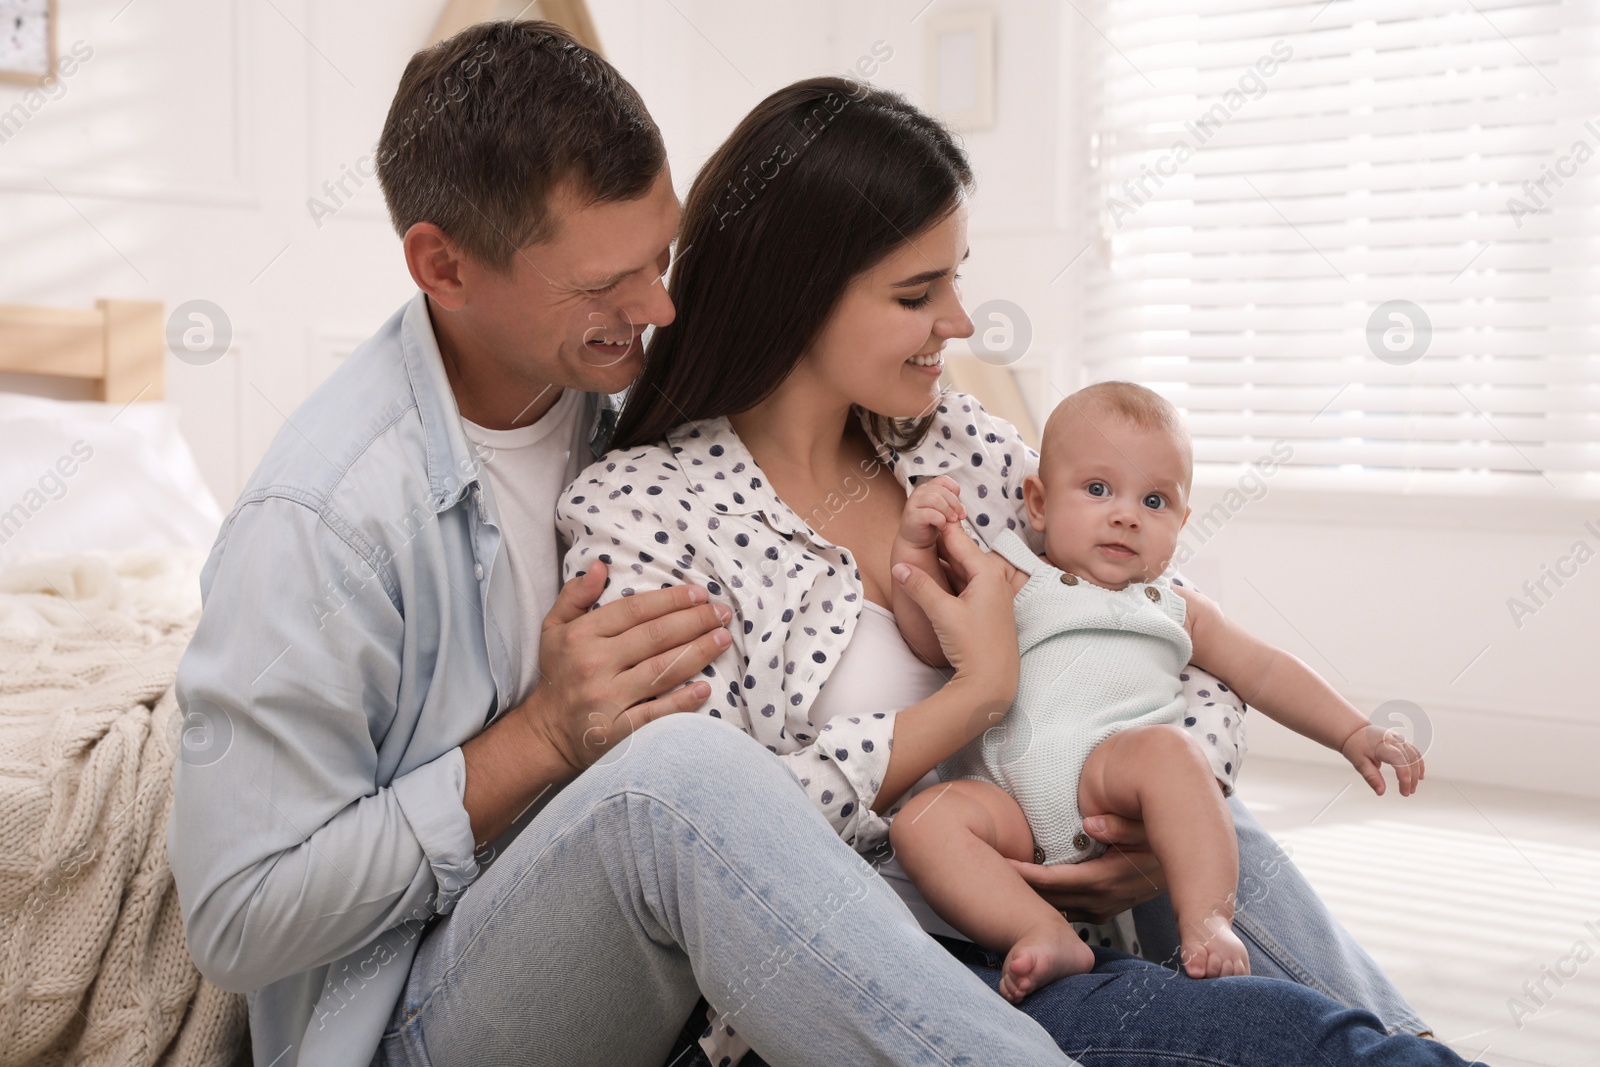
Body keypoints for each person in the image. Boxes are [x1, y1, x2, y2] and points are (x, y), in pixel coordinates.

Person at [168, 22, 1076, 1067]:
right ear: (442, 265)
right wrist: (540, 739)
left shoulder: (627, 408)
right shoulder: (323, 522)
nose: (660, 306)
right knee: (677, 777)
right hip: (416, 1017)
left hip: (670, 965)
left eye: (660, 254)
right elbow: (236, 918)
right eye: (606, 283)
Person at [559, 76, 1471, 1066]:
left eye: (955, 276)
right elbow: (710, 833)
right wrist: (975, 696)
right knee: (1297, 1039)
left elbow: (1161, 629)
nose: (960, 320)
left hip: (1077, 885)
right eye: (917, 293)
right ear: (795, 294)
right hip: (898, 956)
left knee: (1200, 813)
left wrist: (1140, 818)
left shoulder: (952, 436)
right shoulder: (649, 514)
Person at [885, 381, 1426, 1002]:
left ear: (1182, 522)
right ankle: (1038, 930)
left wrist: (1352, 730)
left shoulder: (1175, 606)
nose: (1126, 514)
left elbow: (1266, 671)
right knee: (923, 822)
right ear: (1037, 503)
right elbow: (933, 638)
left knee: (1173, 758)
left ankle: (1206, 919)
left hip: (1111, 775)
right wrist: (915, 549)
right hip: (1004, 806)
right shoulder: (1011, 574)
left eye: (1155, 500)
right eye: (1097, 490)